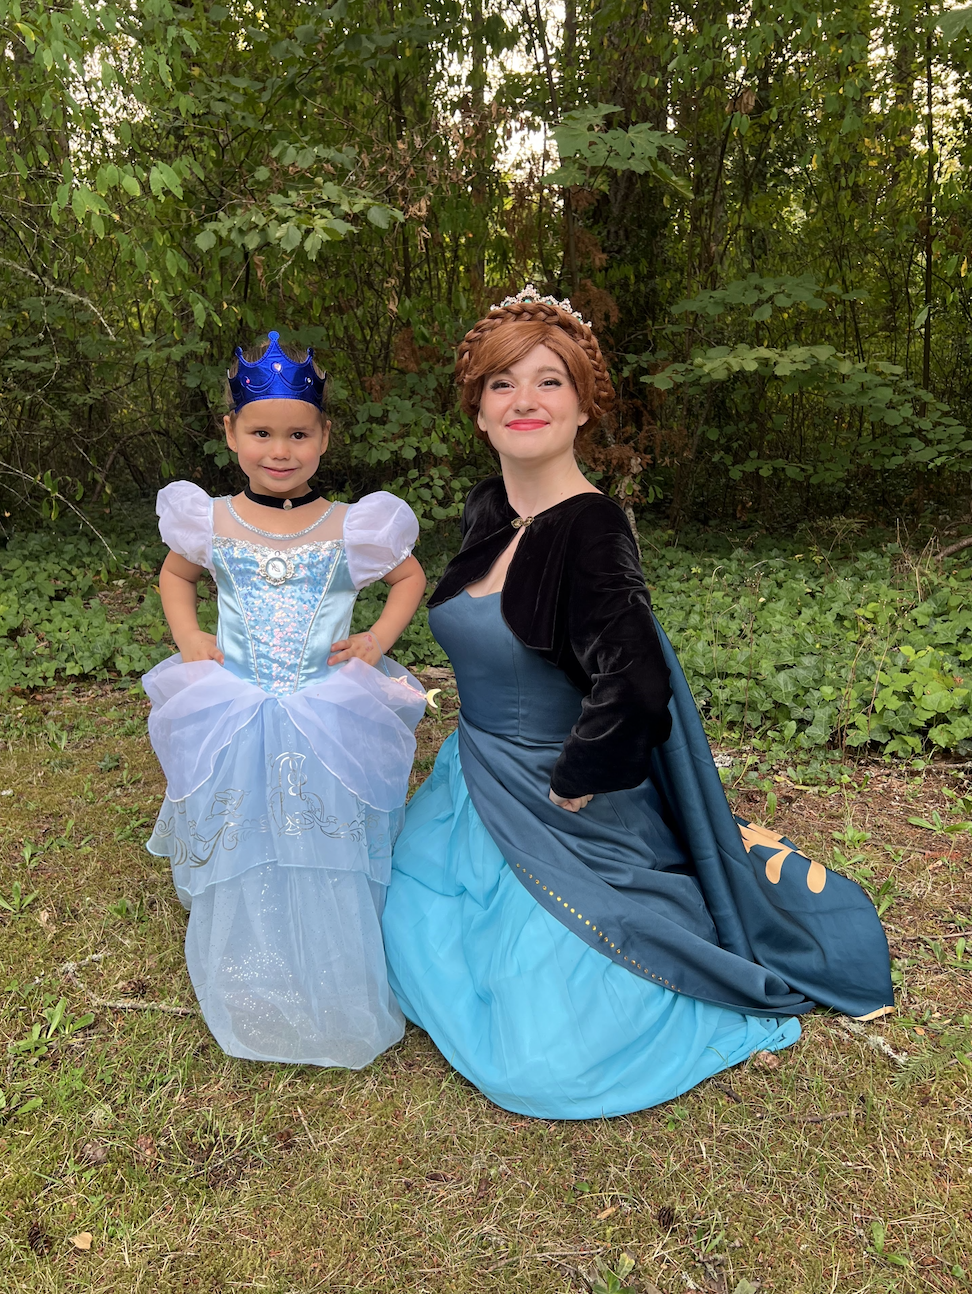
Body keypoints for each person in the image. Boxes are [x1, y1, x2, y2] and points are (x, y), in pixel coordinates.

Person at [382, 288, 893, 1120]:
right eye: (502, 384)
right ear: (477, 410)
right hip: (474, 780)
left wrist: (585, 771)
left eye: (550, 382)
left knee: (536, 1064)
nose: (525, 401)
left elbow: (637, 675)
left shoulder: (590, 527)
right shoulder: (490, 509)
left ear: (583, 406)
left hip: (563, 795)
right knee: (403, 937)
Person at [143, 331, 427, 1069]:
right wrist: (190, 637)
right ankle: (251, 960)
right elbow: (176, 578)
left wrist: (373, 640)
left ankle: (334, 970)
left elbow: (410, 580)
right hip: (235, 702)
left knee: (324, 832)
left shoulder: (350, 525)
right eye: (262, 432)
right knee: (249, 829)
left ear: (323, 437)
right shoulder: (210, 520)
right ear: (231, 434)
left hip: (322, 706)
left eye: (298, 434)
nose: (281, 449)